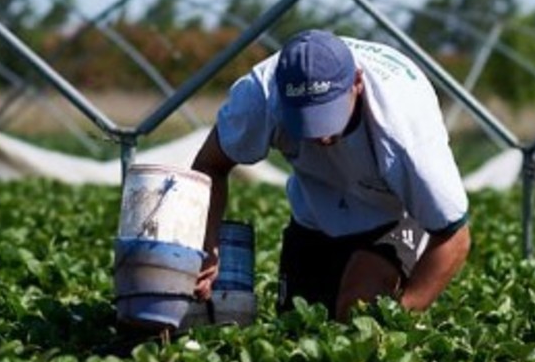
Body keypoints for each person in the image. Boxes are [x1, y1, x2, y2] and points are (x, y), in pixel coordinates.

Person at [191, 29, 470, 322]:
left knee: (358, 309)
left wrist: (398, 321)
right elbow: (210, 166)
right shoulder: (258, 98)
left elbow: (454, 237)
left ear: (357, 83)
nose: (321, 137)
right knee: (297, 326)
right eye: (306, 123)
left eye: (328, 116)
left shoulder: (404, 133)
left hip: (397, 213)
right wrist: (207, 244)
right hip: (314, 212)